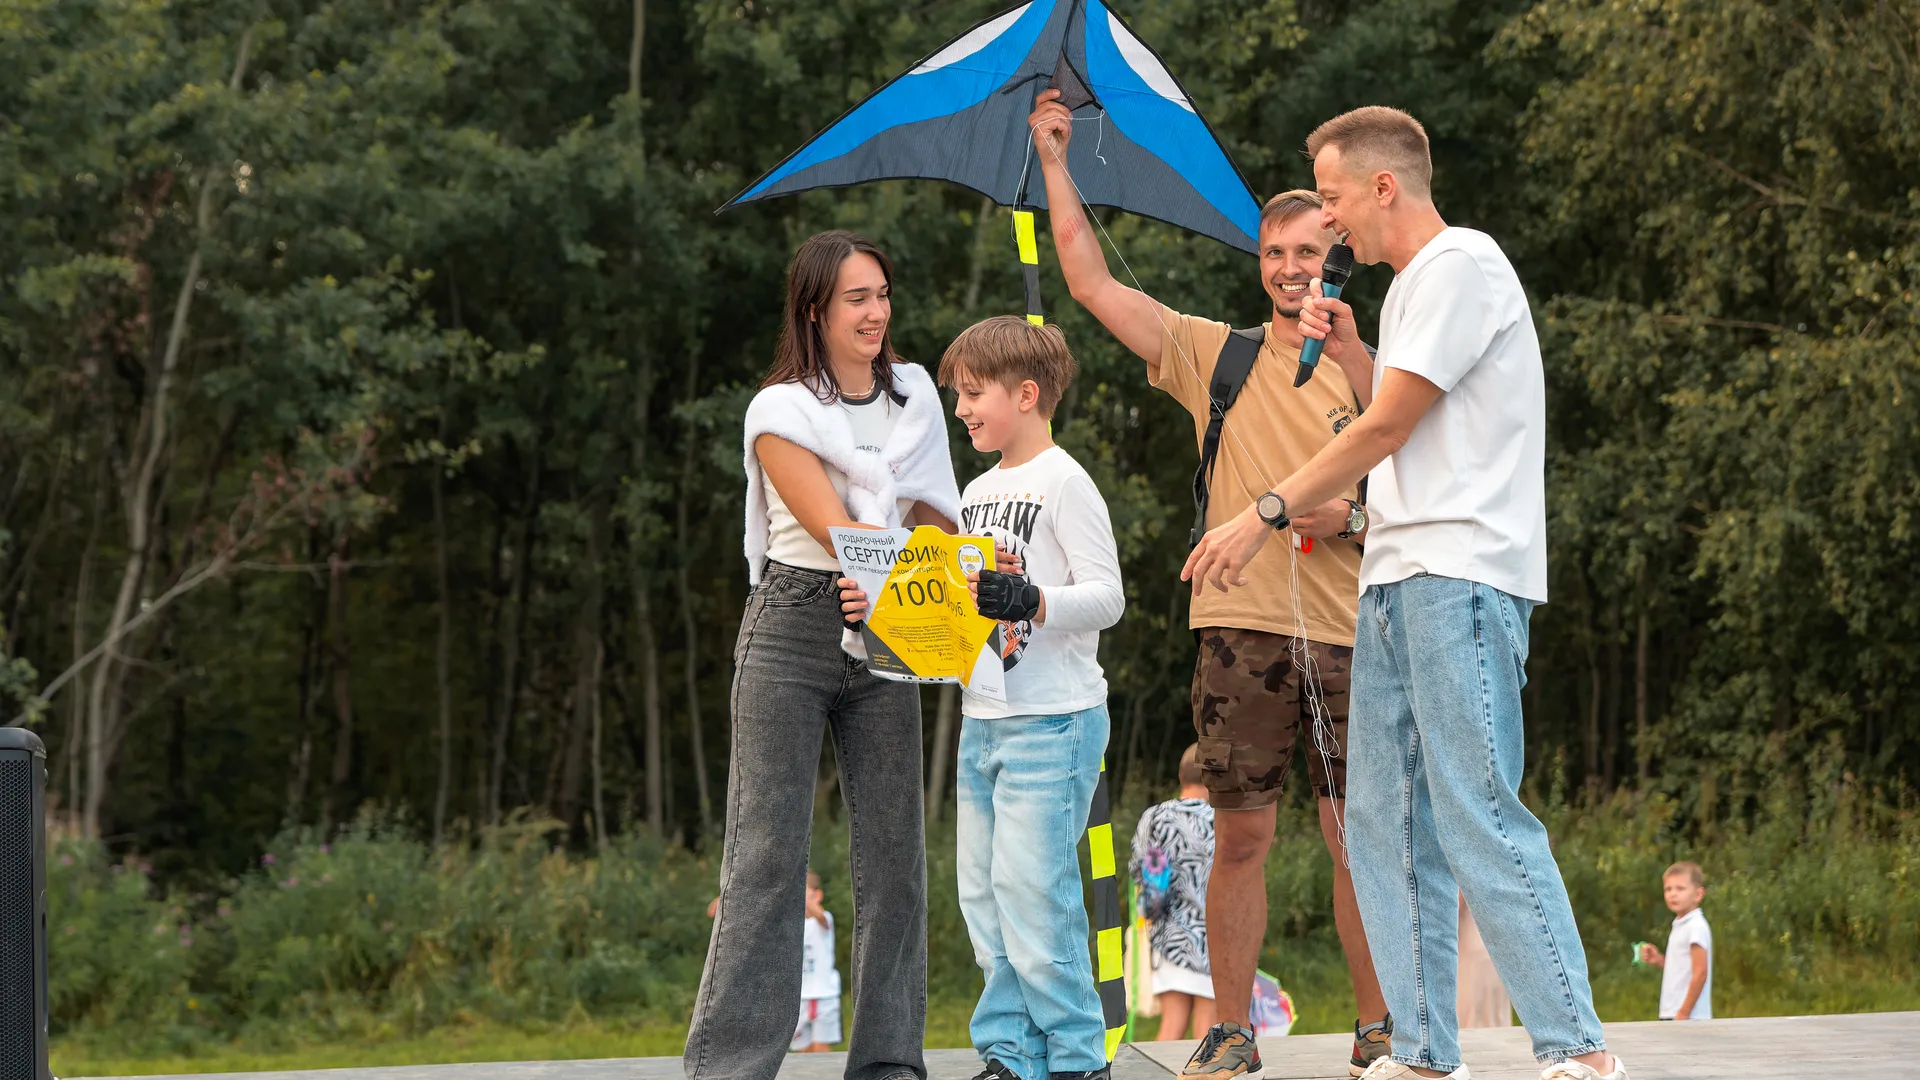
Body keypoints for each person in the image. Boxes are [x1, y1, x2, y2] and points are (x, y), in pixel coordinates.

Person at [1181, 105, 1626, 1080]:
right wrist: (1351, 358)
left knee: (1476, 808)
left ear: (1385, 187)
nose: (1332, 229)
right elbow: (1422, 413)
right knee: (1384, 825)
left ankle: (1577, 1052)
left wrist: (1260, 513)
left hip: (1459, 577)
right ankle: (1424, 1055)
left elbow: (1384, 431)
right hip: (1392, 581)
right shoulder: (1415, 291)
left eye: (1335, 201)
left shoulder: (1461, 264)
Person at [1028, 87, 1392, 1080]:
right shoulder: (1215, 356)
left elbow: (1424, 494)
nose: (1288, 269)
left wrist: (1349, 517)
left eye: (1307, 252)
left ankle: (1381, 1029)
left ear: (1339, 253)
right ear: (1259, 265)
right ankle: (1230, 1032)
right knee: (1241, 837)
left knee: (1358, 841)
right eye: (1273, 254)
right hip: (1240, 630)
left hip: (1356, 628)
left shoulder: (1375, 365)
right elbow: (1092, 283)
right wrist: (1057, 160)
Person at [687, 229, 961, 1080]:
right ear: (815, 307)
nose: (877, 312)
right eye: (857, 298)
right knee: (767, 857)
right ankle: (731, 1067)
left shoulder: (915, 398)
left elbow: (939, 519)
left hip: (889, 625)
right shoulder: (780, 410)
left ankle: (888, 1065)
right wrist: (875, 566)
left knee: (896, 862)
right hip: (795, 625)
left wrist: (903, 577)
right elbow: (837, 531)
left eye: (882, 294)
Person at [851, 315, 1123, 1080]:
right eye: (959, 395)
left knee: (1037, 897)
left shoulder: (1066, 480)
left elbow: (1108, 599)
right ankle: (1012, 1053)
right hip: (983, 720)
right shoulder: (974, 492)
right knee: (985, 898)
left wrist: (1031, 598)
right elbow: (955, 609)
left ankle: (1077, 1057)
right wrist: (882, 610)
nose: (962, 409)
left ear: (1026, 394)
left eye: (973, 394)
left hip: (1053, 720)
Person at [1129, 744, 1217, 1042]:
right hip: (1216, 941)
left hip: (1171, 939)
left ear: (1181, 775)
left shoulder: (1156, 818)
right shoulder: (1223, 819)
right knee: (1210, 1033)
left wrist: (1148, 913)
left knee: (1171, 1027)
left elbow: (1148, 878)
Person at [1640, 862, 1712, 1021]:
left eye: (1680, 888)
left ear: (1698, 895)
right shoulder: (1680, 924)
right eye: (1668, 889)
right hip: (1671, 1012)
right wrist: (1659, 959)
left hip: (1689, 1016)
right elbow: (1682, 969)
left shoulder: (1696, 926)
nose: (1673, 894)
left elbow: (1700, 973)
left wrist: (1684, 1013)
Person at [793, 870, 844, 1054]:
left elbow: (819, 915)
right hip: (798, 997)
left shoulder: (824, 919)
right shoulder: (794, 924)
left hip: (823, 995)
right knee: (803, 1051)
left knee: (820, 1049)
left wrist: (796, 888)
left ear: (818, 895)